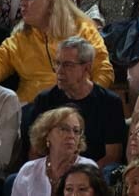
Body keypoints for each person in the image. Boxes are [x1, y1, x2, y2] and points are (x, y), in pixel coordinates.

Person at [0, 0, 112, 101]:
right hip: (32, 108)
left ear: (52, 3)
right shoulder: (19, 38)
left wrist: (89, 100)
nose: (22, 5)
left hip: (76, 104)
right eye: (21, 0)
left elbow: (103, 70)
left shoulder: (83, 30)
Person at [19, 36, 123, 165]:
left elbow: (113, 156)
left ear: (87, 68)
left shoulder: (110, 103)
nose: (60, 71)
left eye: (68, 65)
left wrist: (80, 178)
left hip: (92, 176)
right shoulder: (45, 100)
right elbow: (35, 152)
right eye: (57, 63)